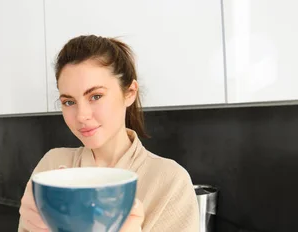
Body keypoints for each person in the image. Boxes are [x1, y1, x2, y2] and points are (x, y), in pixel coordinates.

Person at [18, 35, 199, 232]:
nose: (82, 116)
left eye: (96, 96)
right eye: (69, 102)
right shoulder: (51, 167)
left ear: (130, 92)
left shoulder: (170, 182)